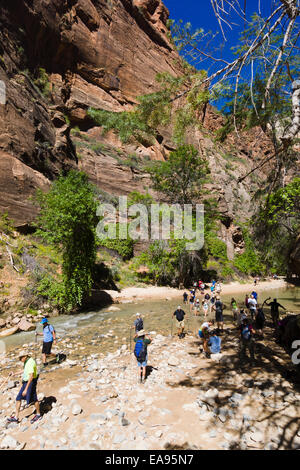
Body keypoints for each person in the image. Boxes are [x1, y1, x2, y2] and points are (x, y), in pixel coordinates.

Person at [7, 351, 41, 424]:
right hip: (25, 382)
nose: (20, 359)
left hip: (30, 382)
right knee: (18, 398)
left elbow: (31, 376)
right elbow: (25, 370)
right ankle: (16, 417)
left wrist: (25, 389)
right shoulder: (26, 361)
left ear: (25, 356)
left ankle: (38, 414)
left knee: (34, 399)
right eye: (19, 358)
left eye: (21, 358)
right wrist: (14, 374)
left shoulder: (30, 362)